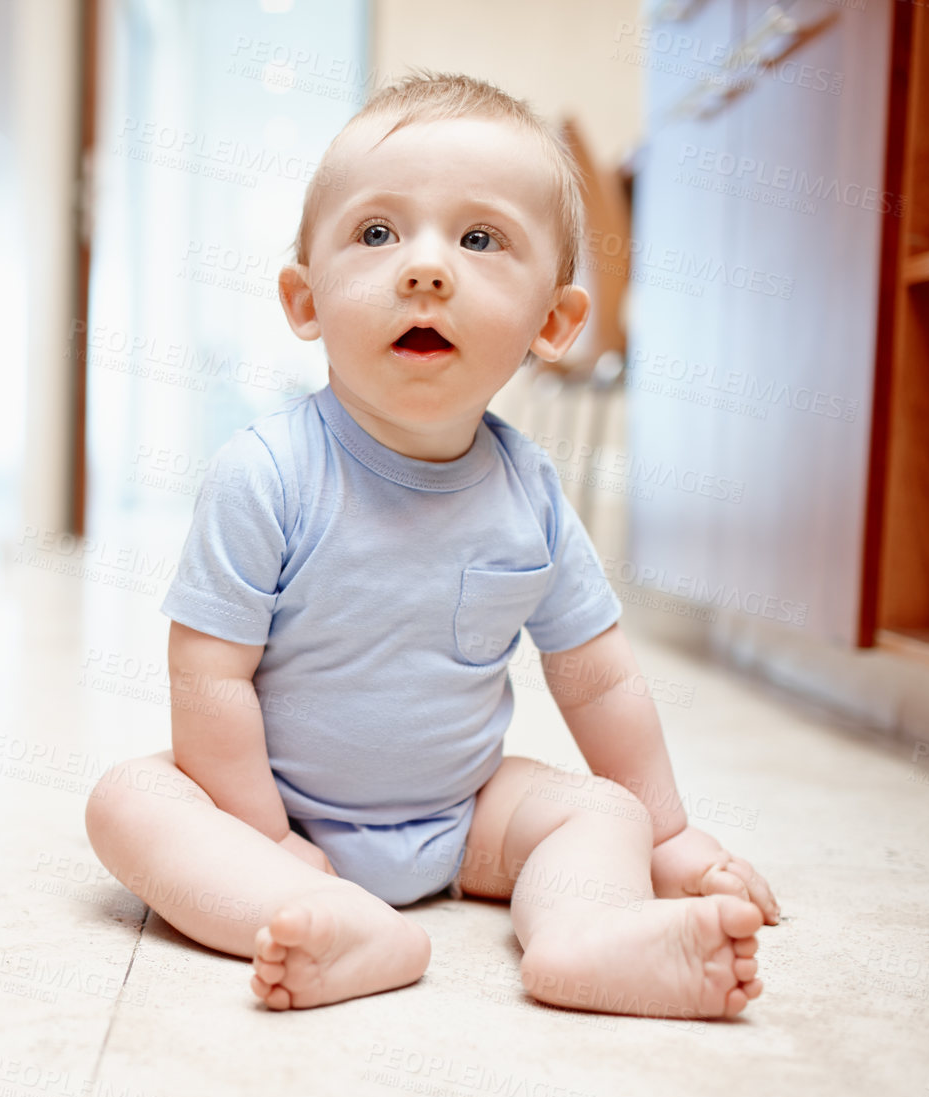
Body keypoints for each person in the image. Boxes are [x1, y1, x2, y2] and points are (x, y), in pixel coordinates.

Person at [84, 69, 780, 1016]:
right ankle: (324, 918)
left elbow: (599, 674)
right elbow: (207, 679)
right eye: (376, 234)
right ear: (304, 300)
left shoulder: (530, 488)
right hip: (278, 814)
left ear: (554, 323)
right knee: (130, 801)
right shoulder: (267, 474)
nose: (425, 269)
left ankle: (585, 935)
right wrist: (271, 842)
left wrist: (666, 837)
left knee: (601, 810)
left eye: (481, 239)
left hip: (465, 820)